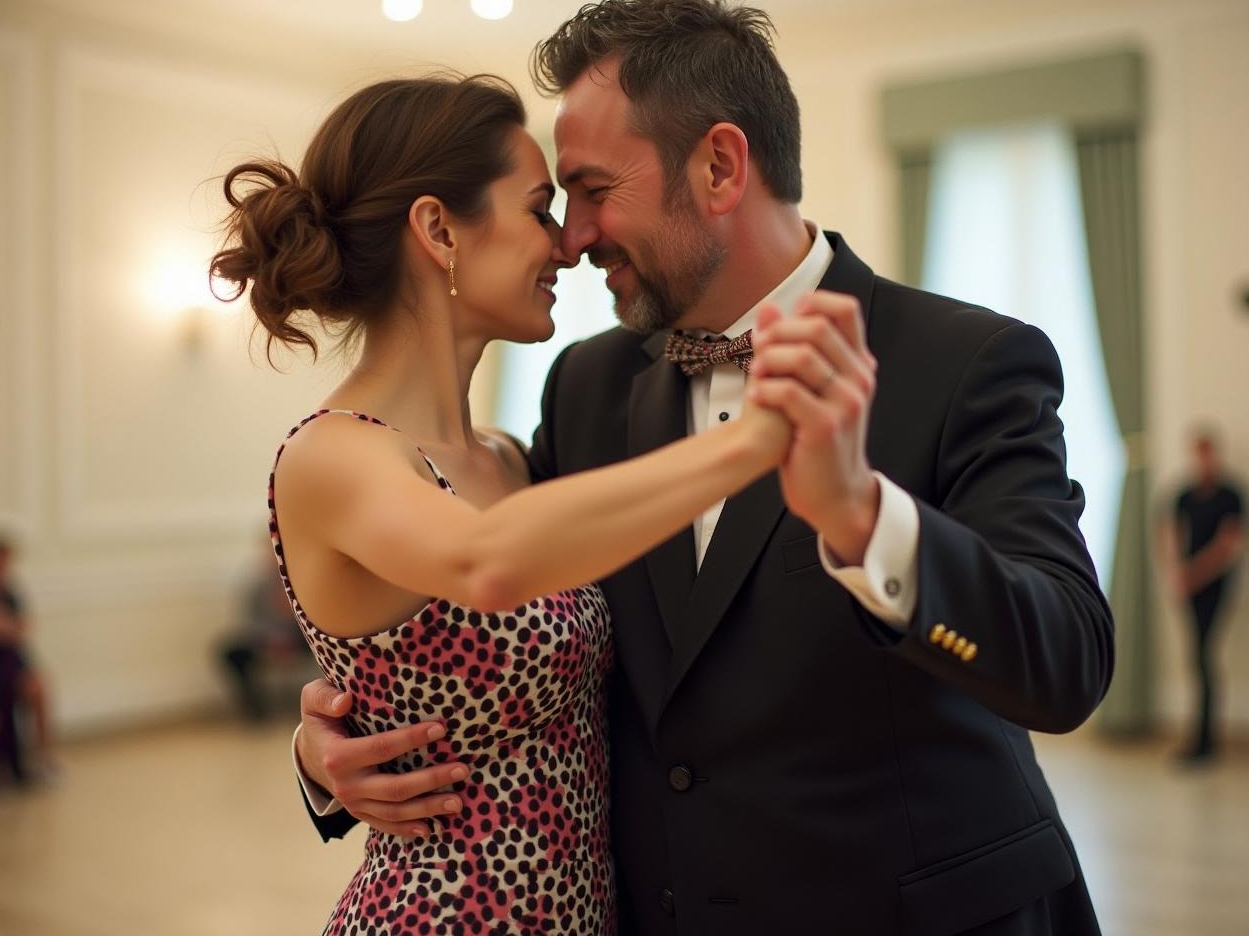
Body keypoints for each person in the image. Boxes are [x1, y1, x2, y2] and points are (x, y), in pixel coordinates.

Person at [294, 0, 1115, 936]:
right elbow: (504, 630)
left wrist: (861, 517)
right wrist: (328, 748)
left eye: (597, 190)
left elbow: (1067, 665)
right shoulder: (587, 387)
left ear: (720, 165)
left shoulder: (966, 361)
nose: (575, 236)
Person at [211, 73, 809, 935]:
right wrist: (755, 442)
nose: (567, 244)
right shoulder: (331, 454)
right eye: (538, 208)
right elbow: (487, 564)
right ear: (438, 230)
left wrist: (318, 746)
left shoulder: (510, 457)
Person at [1160, 429, 1248, 764]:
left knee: (1204, 656)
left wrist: (1192, 574)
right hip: (1190, 586)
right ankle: (1200, 739)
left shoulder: (1231, 495)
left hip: (1214, 586)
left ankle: (1205, 741)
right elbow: (1169, 534)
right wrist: (1175, 573)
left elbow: (1229, 546)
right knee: (1197, 658)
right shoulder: (1184, 495)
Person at [0, 534, 57, 787]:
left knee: (39, 686)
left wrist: (1, 626)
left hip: (11, 660)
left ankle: (41, 758)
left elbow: (21, 629)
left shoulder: (11, 592)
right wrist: (6, 627)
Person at [215, 537, 309, 722]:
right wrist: (272, 641)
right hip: (267, 641)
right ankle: (254, 708)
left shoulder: (303, 584)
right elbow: (251, 623)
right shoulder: (258, 587)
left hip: (301, 640)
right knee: (231, 651)